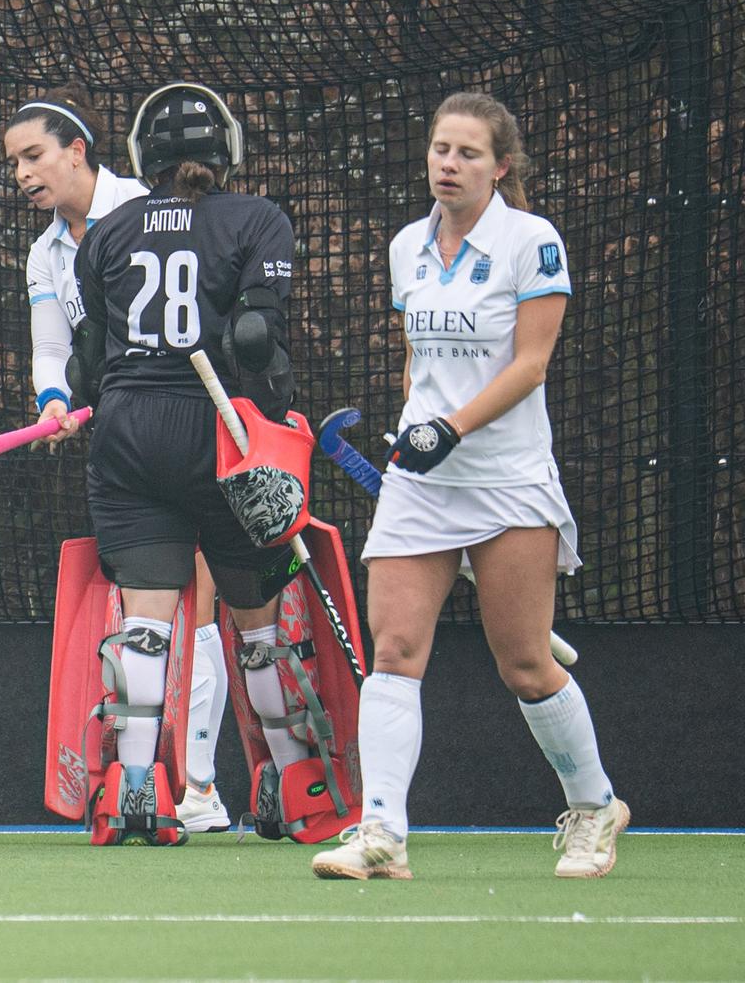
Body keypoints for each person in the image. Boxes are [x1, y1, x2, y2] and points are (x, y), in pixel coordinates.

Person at [313, 92, 627, 881]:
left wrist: (451, 428)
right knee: (394, 650)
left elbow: (530, 364)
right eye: (440, 148)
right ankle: (381, 832)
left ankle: (595, 807)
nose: (448, 164)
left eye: (468, 153)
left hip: (509, 480)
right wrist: (416, 424)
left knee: (524, 664)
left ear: (500, 167)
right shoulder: (406, 247)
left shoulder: (532, 241)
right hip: (422, 487)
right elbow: (418, 354)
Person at [73, 81, 318, 843]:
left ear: (144, 153)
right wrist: (272, 422)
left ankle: (137, 784)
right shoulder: (258, 218)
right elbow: (253, 338)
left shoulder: (107, 230)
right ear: (227, 150)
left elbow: (87, 360)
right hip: (220, 431)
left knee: (146, 617)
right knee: (257, 625)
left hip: (128, 428)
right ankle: (285, 780)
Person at [4, 85, 233, 835]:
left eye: (34, 155)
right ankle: (151, 779)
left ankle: (200, 783)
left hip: (201, 424)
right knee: (150, 614)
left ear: (78, 150)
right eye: (13, 163)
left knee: (203, 604)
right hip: (130, 440)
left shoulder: (153, 202)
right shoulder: (46, 253)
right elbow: (53, 345)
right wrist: (51, 400)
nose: (23, 174)